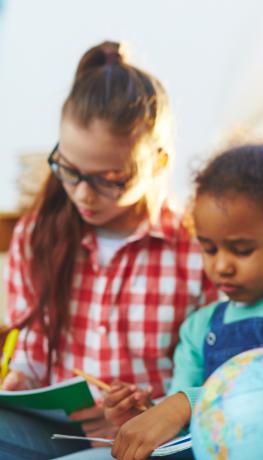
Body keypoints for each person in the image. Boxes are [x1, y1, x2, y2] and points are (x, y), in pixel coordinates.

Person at [0, 41, 216, 459]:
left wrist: (149, 410)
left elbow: (217, 372)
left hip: (151, 440)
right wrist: (18, 384)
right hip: (53, 434)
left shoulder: (196, 248)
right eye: (70, 170)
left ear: (158, 162)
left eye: (108, 179)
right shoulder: (36, 235)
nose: (82, 194)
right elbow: (31, 355)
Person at [103, 140, 263, 460]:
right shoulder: (198, 326)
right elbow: (182, 419)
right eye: (209, 249)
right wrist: (145, 414)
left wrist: (182, 404)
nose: (221, 265)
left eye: (242, 250)